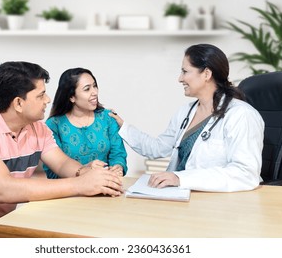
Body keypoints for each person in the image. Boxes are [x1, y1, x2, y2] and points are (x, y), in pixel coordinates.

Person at [0, 61, 123, 238]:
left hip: (2, 225)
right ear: (18, 103)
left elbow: (62, 162)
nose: (48, 99)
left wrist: (84, 171)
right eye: (40, 95)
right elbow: (3, 190)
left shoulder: (37, 128)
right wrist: (80, 184)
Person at [110, 43, 265, 192]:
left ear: (206, 74)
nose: (180, 79)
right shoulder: (185, 112)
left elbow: (246, 173)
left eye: (185, 71)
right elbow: (157, 148)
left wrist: (180, 178)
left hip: (217, 205)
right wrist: (123, 126)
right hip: (179, 195)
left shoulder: (241, 115)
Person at [43, 67, 127, 179]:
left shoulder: (108, 118)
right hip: (70, 192)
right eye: (87, 89)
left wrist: (118, 167)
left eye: (95, 86)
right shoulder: (54, 125)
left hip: (107, 186)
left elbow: (118, 154)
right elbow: (52, 172)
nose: (95, 92)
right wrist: (85, 169)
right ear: (71, 97)